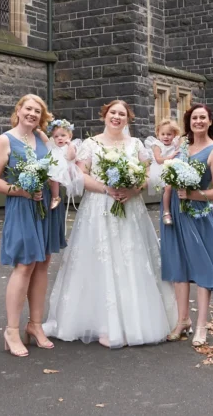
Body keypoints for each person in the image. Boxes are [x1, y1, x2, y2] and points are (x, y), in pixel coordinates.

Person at [43, 100, 178, 348]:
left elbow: (148, 174)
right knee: (99, 263)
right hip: (98, 208)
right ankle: (103, 324)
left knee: (132, 260)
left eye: (122, 114)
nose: (117, 117)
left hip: (130, 208)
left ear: (127, 119)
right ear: (105, 115)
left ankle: (135, 322)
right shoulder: (90, 144)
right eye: (113, 113)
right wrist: (107, 189)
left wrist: (133, 189)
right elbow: (80, 175)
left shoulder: (136, 144)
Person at [0, 94, 60, 358]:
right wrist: (21, 190)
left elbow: (52, 170)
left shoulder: (42, 138)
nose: (32, 114)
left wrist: (56, 195)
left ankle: (35, 325)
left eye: (37, 111)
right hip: (22, 206)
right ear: (18, 110)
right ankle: (12, 330)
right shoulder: (5, 140)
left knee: (43, 262)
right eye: (28, 109)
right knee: (25, 264)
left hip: (45, 205)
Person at [160, 103, 213, 347]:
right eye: (194, 118)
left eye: (202, 118)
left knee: (202, 268)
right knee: (178, 266)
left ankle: (201, 326)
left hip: (197, 214)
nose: (198, 121)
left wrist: (192, 195)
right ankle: (182, 320)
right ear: (189, 122)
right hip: (174, 213)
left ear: (209, 122)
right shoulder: (183, 147)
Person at [145, 119, 182, 224]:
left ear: (174, 135)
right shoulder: (157, 145)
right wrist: (171, 157)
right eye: (163, 134)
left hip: (172, 167)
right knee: (168, 187)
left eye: (169, 134)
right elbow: (158, 159)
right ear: (158, 134)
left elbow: (181, 148)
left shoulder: (175, 143)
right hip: (160, 168)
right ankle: (166, 211)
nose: (166, 137)